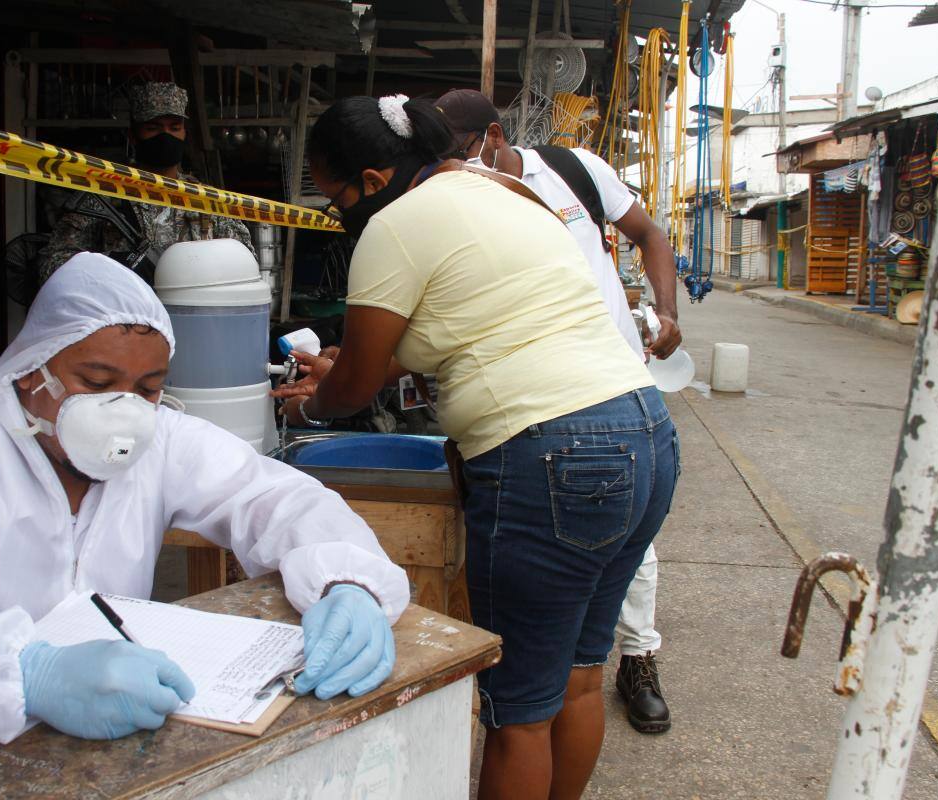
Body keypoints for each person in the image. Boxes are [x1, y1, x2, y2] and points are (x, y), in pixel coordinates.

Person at [0, 252, 409, 800]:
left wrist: (346, 580)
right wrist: (21, 673)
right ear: (31, 368)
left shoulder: (162, 443)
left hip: (101, 757)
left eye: (147, 389)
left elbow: (274, 498)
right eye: (95, 383)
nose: (122, 410)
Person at [273, 94, 679, 800]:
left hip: (552, 456)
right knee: (580, 679)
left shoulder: (394, 225)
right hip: (644, 432)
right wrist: (348, 363)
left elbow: (357, 388)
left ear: (373, 181)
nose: (333, 210)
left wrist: (312, 401)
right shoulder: (509, 191)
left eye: (333, 193)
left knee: (518, 712)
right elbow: (472, 322)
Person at [438, 87, 681, 735]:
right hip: (538, 399)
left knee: (633, 545)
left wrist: (669, 311)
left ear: (493, 135)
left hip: (619, 384)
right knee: (564, 562)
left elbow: (649, 234)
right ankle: (566, 672)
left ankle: (639, 659)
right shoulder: (459, 198)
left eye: (460, 150)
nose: (454, 165)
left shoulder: (573, 170)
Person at [38, 82, 254, 282]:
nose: (165, 136)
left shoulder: (206, 200)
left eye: (174, 127)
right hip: (126, 318)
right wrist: (111, 265)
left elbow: (246, 264)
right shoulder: (105, 197)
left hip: (192, 317)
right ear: (133, 135)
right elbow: (51, 267)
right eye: (153, 128)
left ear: (184, 133)